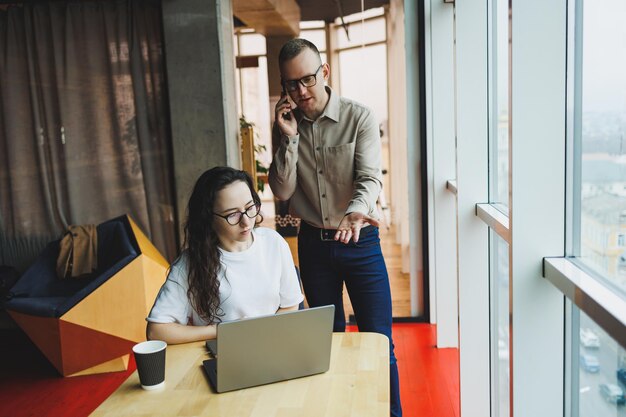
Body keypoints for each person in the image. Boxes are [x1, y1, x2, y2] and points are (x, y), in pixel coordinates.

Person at [269, 38, 402, 417]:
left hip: (361, 242)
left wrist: (355, 212)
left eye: (307, 80)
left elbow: (369, 179)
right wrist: (289, 139)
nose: (300, 91)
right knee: (327, 343)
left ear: (324, 72)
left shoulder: (359, 117)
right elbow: (281, 189)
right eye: (290, 84)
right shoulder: (287, 122)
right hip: (313, 245)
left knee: (379, 343)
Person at [147, 167, 304, 344]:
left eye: (250, 207)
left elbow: (290, 305)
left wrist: (260, 336)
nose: (246, 222)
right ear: (209, 217)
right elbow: (156, 331)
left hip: (272, 344)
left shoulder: (273, 243)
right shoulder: (191, 263)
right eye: (233, 215)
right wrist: (222, 331)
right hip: (222, 353)